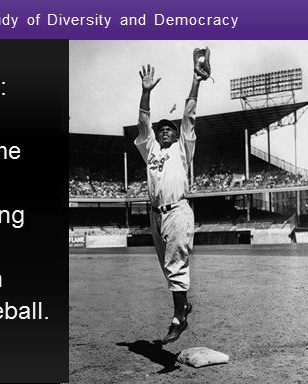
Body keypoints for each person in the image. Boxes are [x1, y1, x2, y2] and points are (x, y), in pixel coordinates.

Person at [135, 61, 203, 344]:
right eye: (161, 128)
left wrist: (196, 81)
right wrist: (145, 92)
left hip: (177, 210)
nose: (164, 130)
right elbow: (143, 123)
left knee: (175, 264)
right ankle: (183, 305)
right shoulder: (150, 149)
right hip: (155, 215)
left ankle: (179, 318)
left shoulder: (182, 149)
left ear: (177, 135)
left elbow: (189, 117)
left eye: (169, 129)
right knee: (168, 267)